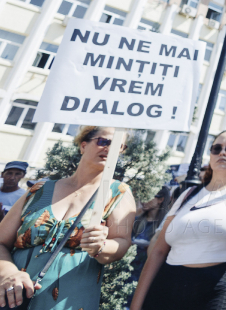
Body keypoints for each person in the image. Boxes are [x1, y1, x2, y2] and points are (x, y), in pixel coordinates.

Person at [0, 126, 136, 310]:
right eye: (104, 141)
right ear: (83, 145)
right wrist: (7, 272)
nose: (110, 149)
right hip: (12, 296)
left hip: (70, 301)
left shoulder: (118, 193)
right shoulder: (39, 190)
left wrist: (101, 246)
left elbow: (122, 244)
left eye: (119, 146)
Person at [131, 130, 226, 310]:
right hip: (168, 283)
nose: (222, 152)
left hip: (217, 287)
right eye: (216, 148)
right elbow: (158, 251)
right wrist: (136, 304)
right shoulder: (188, 194)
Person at [130, 188, 173, 285]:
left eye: (148, 196)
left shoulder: (164, 225)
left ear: (160, 199)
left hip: (147, 271)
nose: (143, 200)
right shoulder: (135, 221)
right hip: (128, 268)